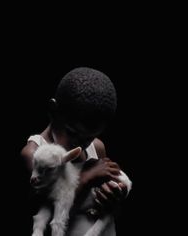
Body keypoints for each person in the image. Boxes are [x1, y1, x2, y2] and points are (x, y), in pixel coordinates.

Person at [20, 67, 132, 236]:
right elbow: (42, 212)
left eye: (90, 137)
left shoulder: (97, 147)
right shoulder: (35, 154)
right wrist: (87, 176)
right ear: (53, 111)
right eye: (72, 132)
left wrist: (113, 198)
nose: (81, 144)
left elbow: (109, 212)